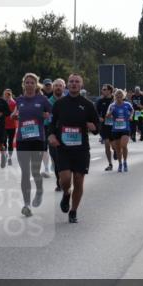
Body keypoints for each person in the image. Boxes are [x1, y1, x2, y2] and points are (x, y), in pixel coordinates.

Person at [48, 74, 99, 223]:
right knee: (64, 180)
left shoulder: (88, 105)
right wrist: (51, 135)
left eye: (77, 82)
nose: (74, 84)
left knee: (78, 180)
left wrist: (93, 127)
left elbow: (97, 126)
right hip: (63, 148)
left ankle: (73, 211)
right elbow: (52, 124)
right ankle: (66, 193)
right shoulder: (59, 104)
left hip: (81, 149)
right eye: (71, 82)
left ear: (81, 85)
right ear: (67, 85)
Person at [12, 73, 51, 216]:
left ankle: (39, 190)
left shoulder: (42, 99)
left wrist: (47, 116)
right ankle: (26, 204)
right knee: (25, 173)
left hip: (37, 140)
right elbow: (14, 113)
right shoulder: (19, 100)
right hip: (22, 140)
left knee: (35, 171)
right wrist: (14, 116)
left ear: (36, 85)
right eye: (27, 83)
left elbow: (53, 113)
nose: (29, 85)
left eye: (32, 83)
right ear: (24, 85)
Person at [46, 78, 66, 189]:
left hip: (67, 134)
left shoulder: (68, 101)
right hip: (52, 134)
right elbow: (44, 120)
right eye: (56, 85)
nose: (58, 87)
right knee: (56, 158)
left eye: (60, 85)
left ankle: (66, 178)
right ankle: (59, 180)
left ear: (64, 88)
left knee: (66, 158)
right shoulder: (47, 102)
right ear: (53, 88)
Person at [106, 89, 132, 172]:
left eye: (120, 97)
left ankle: (125, 162)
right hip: (116, 129)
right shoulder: (112, 106)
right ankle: (120, 163)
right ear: (115, 97)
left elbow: (132, 111)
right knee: (117, 148)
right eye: (117, 97)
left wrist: (131, 116)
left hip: (125, 128)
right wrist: (110, 113)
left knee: (123, 145)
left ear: (123, 97)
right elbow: (107, 116)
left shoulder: (127, 104)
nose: (119, 98)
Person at [94, 84, 115, 171]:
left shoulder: (115, 100)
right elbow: (95, 112)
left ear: (110, 91)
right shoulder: (100, 101)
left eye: (105, 89)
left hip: (114, 126)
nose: (103, 91)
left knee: (114, 145)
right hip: (104, 126)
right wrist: (99, 117)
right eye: (102, 89)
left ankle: (116, 151)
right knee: (107, 144)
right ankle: (110, 164)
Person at [2, 88, 18, 166]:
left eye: (8, 94)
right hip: (3, 126)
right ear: (3, 95)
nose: (7, 95)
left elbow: (17, 113)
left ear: (11, 94)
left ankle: (10, 158)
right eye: (5, 94)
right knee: (4, 142)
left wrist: (16, 115)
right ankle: (5, 156)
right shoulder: (1, 103)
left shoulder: (14, 103)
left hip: (12, 126)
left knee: (11, 142)